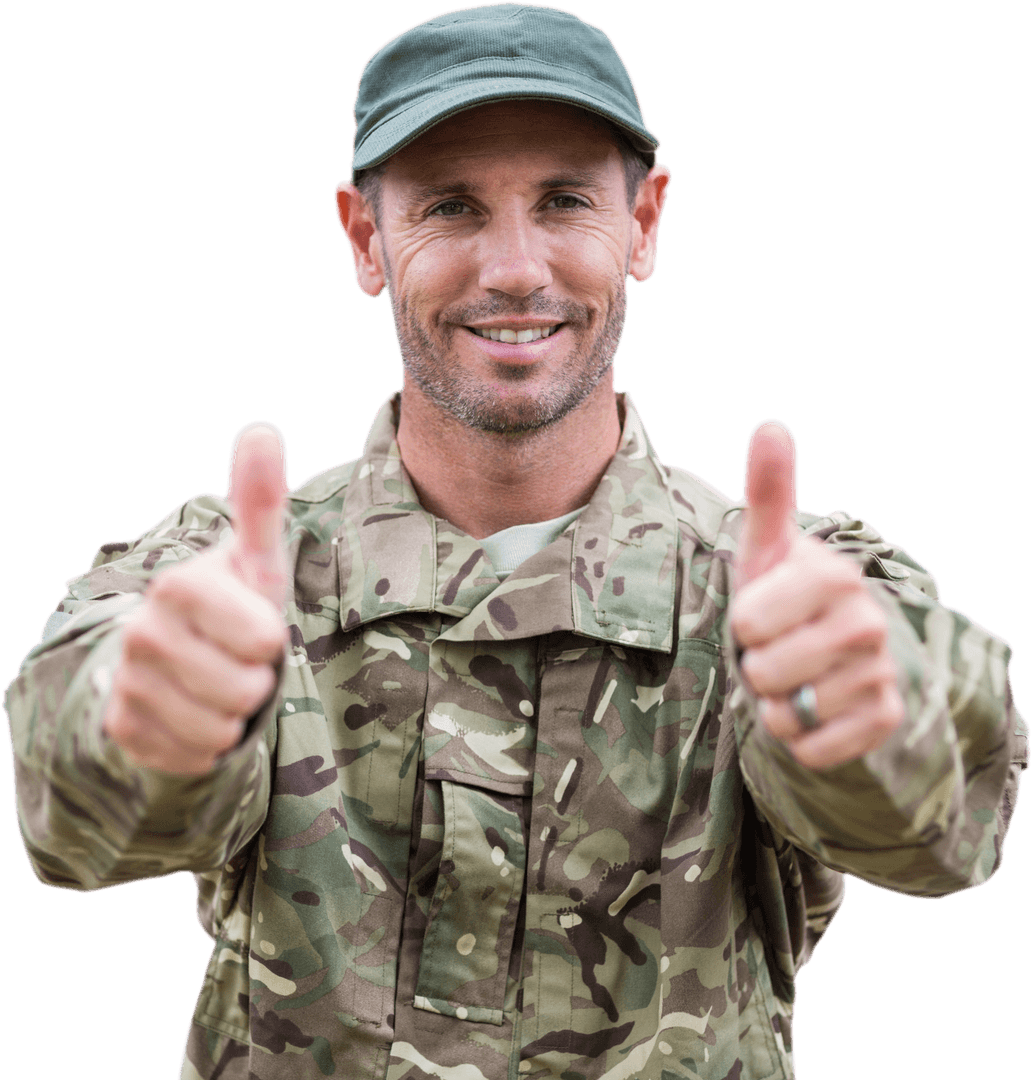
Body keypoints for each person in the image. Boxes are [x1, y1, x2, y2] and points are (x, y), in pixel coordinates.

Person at [4, 4, 1027, 1079]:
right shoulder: (228, 580)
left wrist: (876, 716)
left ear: (643, 224)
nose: (514, 268)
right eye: (451, 206)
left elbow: (947, 832)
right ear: (366, 238)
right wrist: (150, 725)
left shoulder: (785, 592)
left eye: (565, 202)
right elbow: (74, 820)